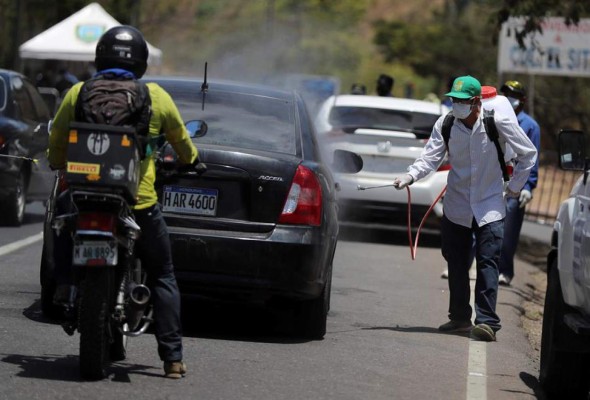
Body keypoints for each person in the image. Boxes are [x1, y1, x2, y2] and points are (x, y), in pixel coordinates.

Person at [47, 25, 198, 379]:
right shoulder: (156, 96)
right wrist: (191, 159)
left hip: (85, 198)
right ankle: (172, 359)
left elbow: (57, 138)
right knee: (162, 274)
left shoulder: (78, 92)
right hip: (137, 202)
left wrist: (58, 161)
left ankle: (67, 287)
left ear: (100, 57)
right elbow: (181, 140)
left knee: (60, 224)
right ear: (142, 62)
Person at [393, 76, 537, 341]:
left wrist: (516, 187)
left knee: (487, 262)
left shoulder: (498, 123)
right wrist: (410, 176)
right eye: (453, 100)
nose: (456, 105)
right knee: (456, 261)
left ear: (476, 102)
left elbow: (528, 154)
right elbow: (430, 158)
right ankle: (459, 317)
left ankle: (487, 322)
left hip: (490, 205)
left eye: (462, 101)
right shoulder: (446, 124)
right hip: (457, 205)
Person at [498, 80, 541, 286]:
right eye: (505, 93)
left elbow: (532, 158)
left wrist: (528, 187)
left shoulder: (530, 126)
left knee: (509, 231)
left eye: (513, 95)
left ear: (522, 100)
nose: (509, 98)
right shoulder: (495, 118)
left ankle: (505, 270)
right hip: (494, 181)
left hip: (516, 184)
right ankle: (467, 264)